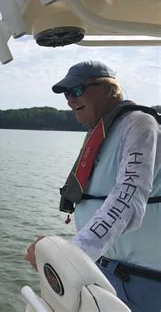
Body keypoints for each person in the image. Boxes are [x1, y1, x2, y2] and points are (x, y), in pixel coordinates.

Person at [24, 60, 160, 312]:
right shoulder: (105, 130)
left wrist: (69, 256)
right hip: (104, 271)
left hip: (144, 282)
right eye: (66, 94)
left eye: (77, 90)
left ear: (109, 89)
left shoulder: (139, 125)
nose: (69, 100)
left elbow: (127, 201)